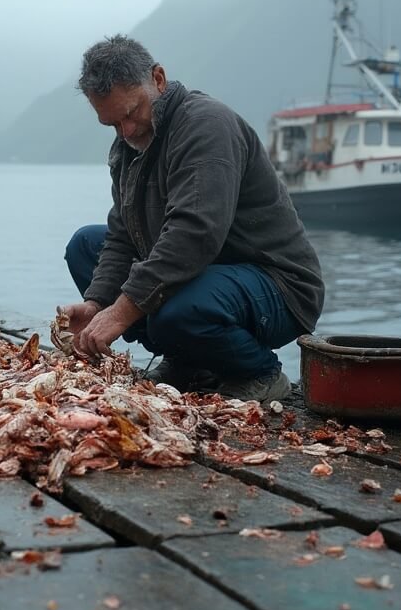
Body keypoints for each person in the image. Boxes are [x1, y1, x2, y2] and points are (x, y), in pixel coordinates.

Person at [60, 34, 324, 402]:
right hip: (205, 276)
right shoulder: (128, 144)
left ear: (158, 79)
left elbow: (194, 234)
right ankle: (188, 361)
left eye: (131, 113)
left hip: (276, 285)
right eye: (112, 125)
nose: (126, 131)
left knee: (179, 309)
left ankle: (260, 372)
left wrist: (120, 314)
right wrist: (96, 304)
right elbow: (123, 236)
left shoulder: (206, 125)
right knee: (86, 245)